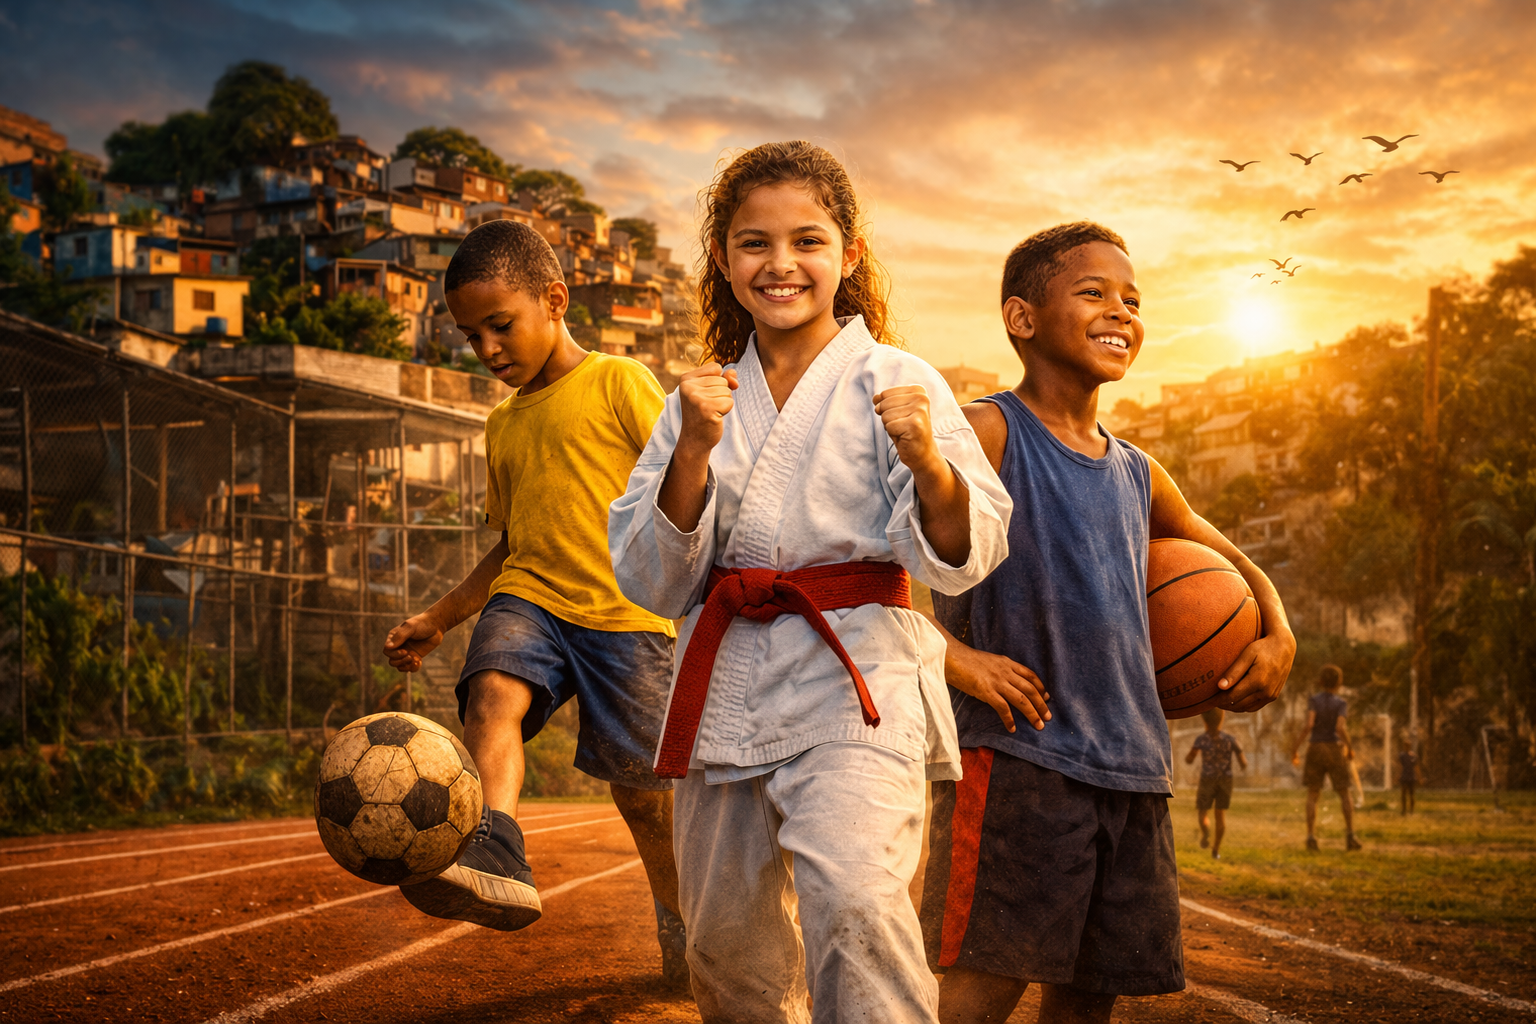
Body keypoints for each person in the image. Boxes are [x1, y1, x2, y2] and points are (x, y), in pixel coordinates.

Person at [609, 140, 1012, 1024]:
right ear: (723, 260)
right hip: (728, 680)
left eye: (807, 241)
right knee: (727, 949)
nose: (781, 264)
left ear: (849, 255)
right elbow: (652, 575)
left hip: (856, 680)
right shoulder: (700, 398)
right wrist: (691, 450)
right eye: (753, 243)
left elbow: (963, 550)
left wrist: (928, 462)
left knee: (860, 904)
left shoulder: (897, 380)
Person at [918, 222, 1297, 1024]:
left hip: (1132, 770)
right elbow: (885, 564)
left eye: (1132, 300)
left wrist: (1279, 633)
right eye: (1093, 293)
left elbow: (1234, 561)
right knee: (981, 991)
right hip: (1019, 757)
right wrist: (956, 658)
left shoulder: (1138, 471)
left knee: (1089, 1001)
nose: (1120, 311)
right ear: (1022, 318)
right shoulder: (987, 431)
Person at [379, 220, 688, 981]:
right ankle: (496, 842)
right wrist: (441, 617)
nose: (486, 350)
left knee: (646, 801)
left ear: (554, 300)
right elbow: (511, 542)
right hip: (532, 598)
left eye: (499, 326)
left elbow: (689, 493)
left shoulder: (620, 382)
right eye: (469, 335)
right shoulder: (502, 423)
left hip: (629, 618)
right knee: (491, 693)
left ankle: (683, 919)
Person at [1289, 664, 1360, 851]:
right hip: (1334, 749)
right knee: (1344, 793)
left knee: (1313, 794)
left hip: (1316, 748)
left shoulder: (1314, 701)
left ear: (1320, 682)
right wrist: (1350, 747)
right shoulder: (1341, 704)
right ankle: (1351, 835)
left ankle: (1311, 837)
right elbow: (1339, 728)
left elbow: (1309, 725)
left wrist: (1295, 748)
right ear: (1339, 682)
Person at [1186, 708, 1247, 859]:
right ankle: (1216, 849)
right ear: (1222, 718)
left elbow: (1189, 759)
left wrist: (1192, 755)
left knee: (1202, 811)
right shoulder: (1230, 739)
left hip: (1207, 779)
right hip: (1225, 780)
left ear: (1203, 720)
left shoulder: (1201, 739)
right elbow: (1243, 762)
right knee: (1220, 815)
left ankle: (1206, 832)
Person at [1398, 735, 1418, 815]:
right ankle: (1406, 810)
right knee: (1406, 794)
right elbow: (1400, 766)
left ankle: (1409, 811)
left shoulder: (1410, 756)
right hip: (1407, 776)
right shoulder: (1405, 756)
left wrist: (1419, 778)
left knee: (1409, 794)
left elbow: (1416, 767)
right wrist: (1398, 775)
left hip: (1408, 776)